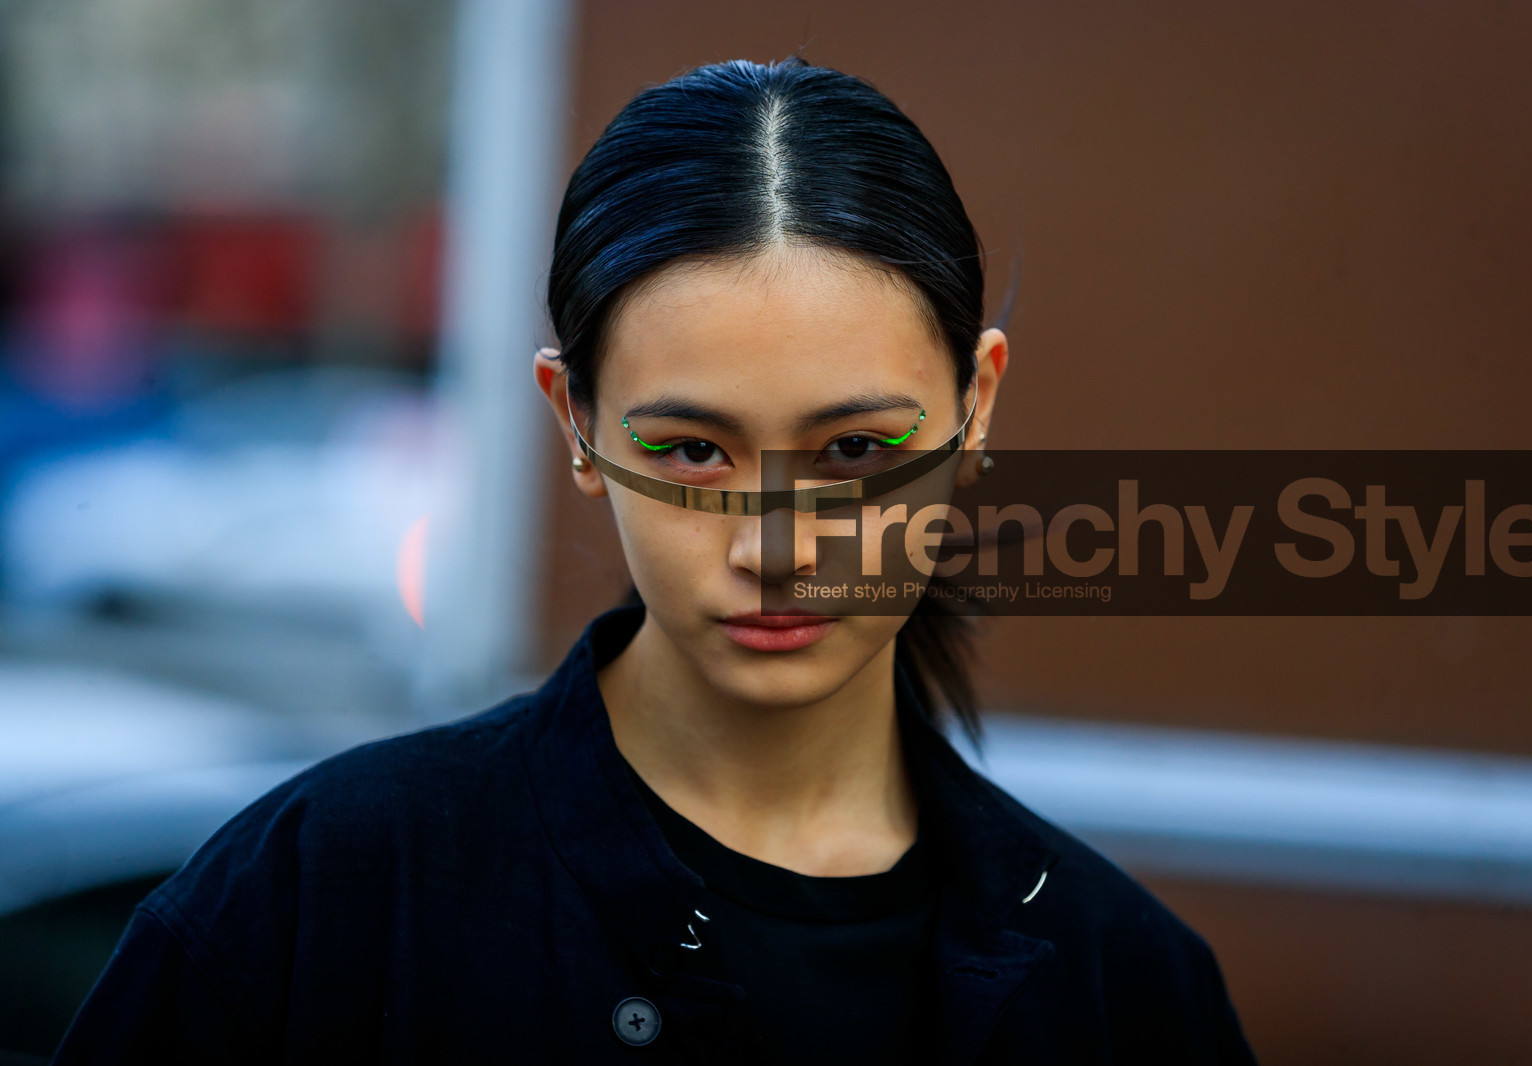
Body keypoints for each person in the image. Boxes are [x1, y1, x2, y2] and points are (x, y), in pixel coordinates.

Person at [52, 56, 1256, 1064]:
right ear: (573, 424)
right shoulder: (318, 902)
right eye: (691, 449)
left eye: (854, 450)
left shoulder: (1126, 986)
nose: (774, 548)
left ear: (976, 405)